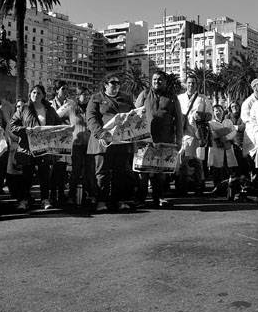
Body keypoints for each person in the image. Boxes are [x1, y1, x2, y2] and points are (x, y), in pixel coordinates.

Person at [11, 84, 66, 211]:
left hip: (45, 148)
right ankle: (24, 200)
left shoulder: (50, 110)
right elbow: (13, 125)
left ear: (43, 96)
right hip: (28, 148)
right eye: (34, 93)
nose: (36, 95)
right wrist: (27, 131)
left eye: (39, 93)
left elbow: (58, 125)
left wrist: (63, 130)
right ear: (30, 94)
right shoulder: (24, 109)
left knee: (44, 174)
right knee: (27, 176)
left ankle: (45, 199)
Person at [134, 71, 183, 207]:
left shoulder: (172, 97)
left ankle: (159, 198)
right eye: (154, 79)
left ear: (165, 82)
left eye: (160, 80)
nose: (157, 82)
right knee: (142, 172)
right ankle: (140, 199)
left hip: (165, 140)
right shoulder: (143, 95)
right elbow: (134, 116)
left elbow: (179, 120)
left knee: (160, 172)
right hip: (144, 140)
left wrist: (179, 140)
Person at [87, 75, 135, 212]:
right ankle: (101, 200)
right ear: (105, 84)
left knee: (121, 172)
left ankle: (119, 200)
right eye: (113, 82)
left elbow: (134, 116)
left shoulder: (126, 98)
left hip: (121, 141)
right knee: (102, 173)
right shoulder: (96, 98)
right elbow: (91, 118)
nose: (116, 85)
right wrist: (100, 133)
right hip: (102, 142)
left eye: (118, 83)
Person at [177, 72, 212, 195]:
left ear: (197, 85)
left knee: (197, 161)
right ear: (185, 84)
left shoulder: (203, 98)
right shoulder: (179, 98)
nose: (191, 85)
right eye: (189, 83)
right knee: (182, 161)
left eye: (193, 83)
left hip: (197, 134)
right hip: (182, 133)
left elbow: (210, 115)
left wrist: (201, 115)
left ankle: (199, 186)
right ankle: (182, 187)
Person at [66, 85, 96, 210]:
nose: (86, 96)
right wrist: (66, 128)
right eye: (84, 93)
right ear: (78, 95)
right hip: (76, 144)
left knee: (90, 171)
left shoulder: (91, 107)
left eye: (88, 94)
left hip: (90, 144)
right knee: (76, 171)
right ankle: (71, 196)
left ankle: (90, 195)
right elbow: (56, 116)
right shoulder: (71, 107)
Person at [207, 104, 239, 198]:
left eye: (219, 110)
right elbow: (212, 134)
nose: (218, 112)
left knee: (227, 169)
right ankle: (217, 189)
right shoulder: (210, 123)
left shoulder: (228, 121)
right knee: (217, 170)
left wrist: (226, 137)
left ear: (223, 111)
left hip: (228, 147)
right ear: (213, 112)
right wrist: (223, 132)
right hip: (216, 148)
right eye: (216, 111)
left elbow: (233, 132)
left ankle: (227, 190)